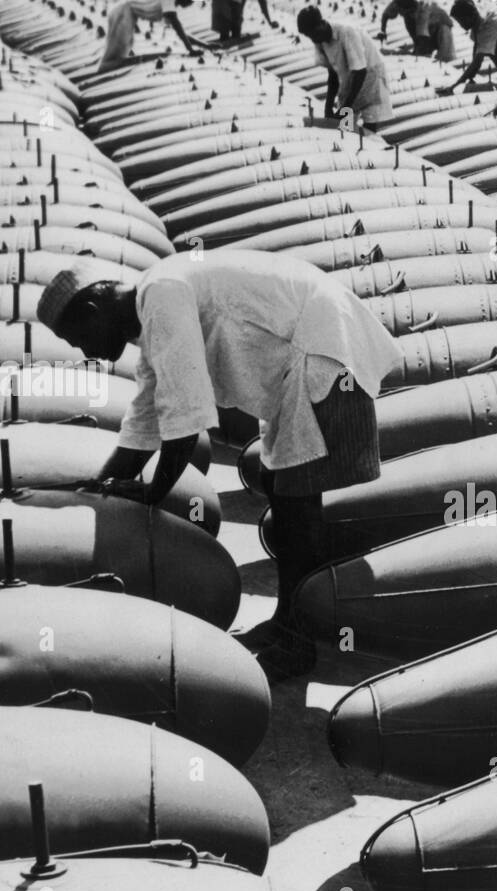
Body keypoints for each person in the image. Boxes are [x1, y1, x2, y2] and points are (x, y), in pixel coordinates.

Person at [35, 251, 401, 682]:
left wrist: (153, 493)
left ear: (94, 311)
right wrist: (102, 484)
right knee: (282, 490)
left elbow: (185, 416)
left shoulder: (161, 293)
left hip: (321, 346)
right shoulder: (154, 301)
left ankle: (299, 641)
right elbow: (149, 412)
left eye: (79, 339)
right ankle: (287, 621)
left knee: (295, 504)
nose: (86, 351)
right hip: (307, 347)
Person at [298, 6, 394, 131]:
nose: (313, 39)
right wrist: (328, 106)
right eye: (309, 36)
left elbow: (360, 71)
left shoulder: (347, 32)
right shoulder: (319, 40)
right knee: (345, 127)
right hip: (351, 79)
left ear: (322, 24)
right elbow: (332, 74)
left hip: (371, 78)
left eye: (314, 34)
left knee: (369, 126)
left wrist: (346, 108)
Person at [99, 0, 214, 73]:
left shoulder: (170, 8)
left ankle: (106, 71)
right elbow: (179, 29)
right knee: (115, 53)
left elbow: (182, 33)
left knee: (121, 50)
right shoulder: (169, 3)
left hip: (124, 12)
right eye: (190, 1)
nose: (190, 4)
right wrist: (191, 50)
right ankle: (103, 74)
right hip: (123, 12)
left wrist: (205, 45)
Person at [437, 0, 497, 91]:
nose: (460, 25)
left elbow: (477, 61)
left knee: (494, 52)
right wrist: (470, 75)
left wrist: (454, 86)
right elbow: (477, 52)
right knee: (491, 51)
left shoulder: (486, 26)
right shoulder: (477, 20)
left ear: (469, 17)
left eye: (461, 21)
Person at [211, 0, 278, 41]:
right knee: (232, 34)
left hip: (219, 6)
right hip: (223, 6)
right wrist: (269, 22)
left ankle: (226, 37)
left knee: (229, 33)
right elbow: (263, 5)